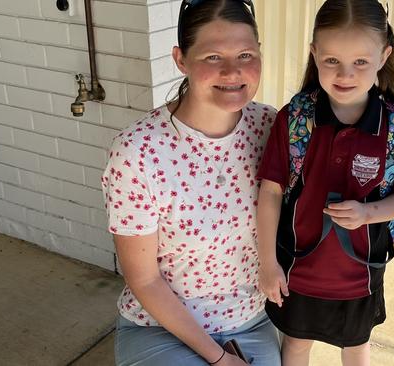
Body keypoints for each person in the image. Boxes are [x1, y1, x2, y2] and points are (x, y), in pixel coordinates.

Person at [101, 1, 281, 365]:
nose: (233, 72)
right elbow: (145, 280)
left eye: (246, 54)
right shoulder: (137, 152)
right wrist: (219, 359)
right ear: (181, 59)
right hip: (159, 326)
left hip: (249, 319)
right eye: (213, 57)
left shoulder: (269, 127)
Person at [256, 0, 394, 365]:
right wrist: (268, 263)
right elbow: (270, 191)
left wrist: (369, 212)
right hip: (298, 270)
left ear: (384, 56)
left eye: (360, 62)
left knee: (356, 347)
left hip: (359, 274)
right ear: (315, 54)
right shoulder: (296, 119)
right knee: (296, 344)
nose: (345, 74)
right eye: (332, 60)